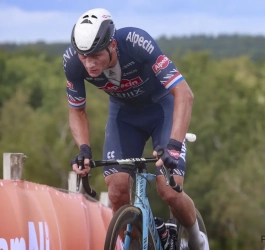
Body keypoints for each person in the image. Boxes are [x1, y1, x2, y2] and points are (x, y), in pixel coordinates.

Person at [63, 7, 209, 250]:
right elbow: (77, 111)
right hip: (124, 116)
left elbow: (184, 94)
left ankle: (196, 238)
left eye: (95, 55)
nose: (89, 63)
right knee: (117, 191)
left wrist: (173, 146)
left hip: (162, 108)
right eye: (83, 55)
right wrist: (84, 149)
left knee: (169, 190)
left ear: (112, 45)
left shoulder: (135, 42)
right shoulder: (72, 62)